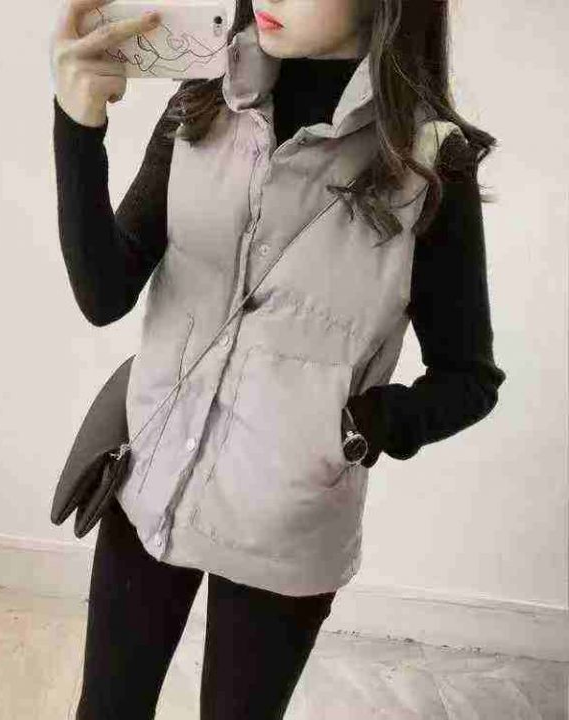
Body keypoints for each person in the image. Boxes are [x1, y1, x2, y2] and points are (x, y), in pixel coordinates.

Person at [50, 0, 507, 716]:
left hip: (286, 525)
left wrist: (360, 428)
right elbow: (105, 293)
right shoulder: (202, 100)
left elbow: (469, 379)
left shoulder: (427, 162)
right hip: (152, 477)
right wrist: (78, 128)